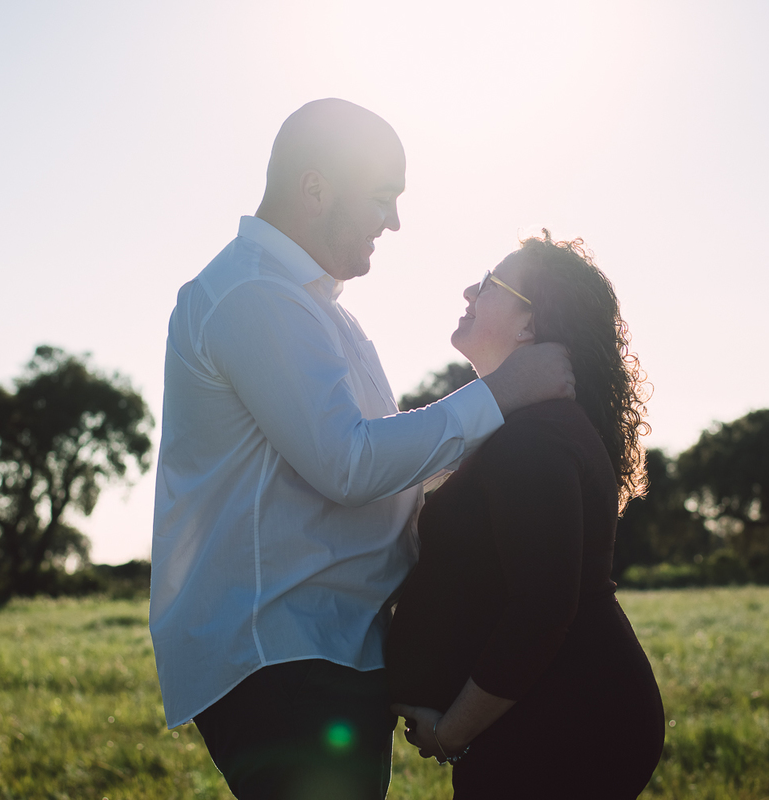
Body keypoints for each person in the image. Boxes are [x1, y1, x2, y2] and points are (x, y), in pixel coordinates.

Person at [148, 99, 575, 800]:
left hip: (327, 646)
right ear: (315, 188)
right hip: (283, 651)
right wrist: (502, 393)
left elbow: (382, 465)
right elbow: (348, 464)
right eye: (383, 198)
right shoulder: (253, 295)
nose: (395, 222)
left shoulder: (314, 306)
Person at [386, 232, 665, 799]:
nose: (470, 289)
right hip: (552, 712)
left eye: (490, 283)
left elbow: (541, 607)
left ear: (528, 325)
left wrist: (452, 731)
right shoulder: (525, 430)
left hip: (562, 726)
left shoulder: (534, 441)